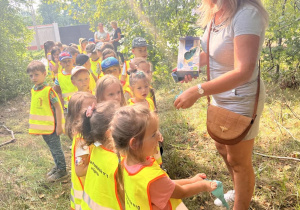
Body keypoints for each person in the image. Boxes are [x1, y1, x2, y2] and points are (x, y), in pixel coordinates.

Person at [174, 1, 268, 209]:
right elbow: (211, 54)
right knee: (223, 147)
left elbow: (244, 70)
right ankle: (237, 190)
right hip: (219, 96)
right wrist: (188, 65)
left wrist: (197, 91)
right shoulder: (216, 12)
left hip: (241, 99)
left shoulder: (247, 14)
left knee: (238, 160)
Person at [110, 105, 218, 209]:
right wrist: (203, 185)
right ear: (134, 144)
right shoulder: (152, 178)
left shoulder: (126, 163)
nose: (158, 136)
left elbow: (167, 185)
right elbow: (181, 192)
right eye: (153, 134)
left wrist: (192, 180)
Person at [27, 61, 67, 182]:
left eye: (36, 74)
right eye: (31, 75)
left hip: (52, 127)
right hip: (44, 127)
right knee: (51, 147)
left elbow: (58, 107)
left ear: (44, 74)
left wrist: (59, 125)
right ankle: (57, 165)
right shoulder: (34, 90)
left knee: (56, 148)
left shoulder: (49, 91)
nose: (33, 78)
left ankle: (62, 170)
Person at [80, 101, 123, 210]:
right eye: (122, 122)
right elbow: (125, 197)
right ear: (110, 132)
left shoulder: (96, 149)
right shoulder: (118, 162)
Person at [65, 92, 97, 210]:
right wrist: (100, 166)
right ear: (76, 118)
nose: (93, 113)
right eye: (88, 111)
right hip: (84, 193)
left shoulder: (88, 134)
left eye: (95, 108)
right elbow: (80, 169)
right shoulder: (81, 142)